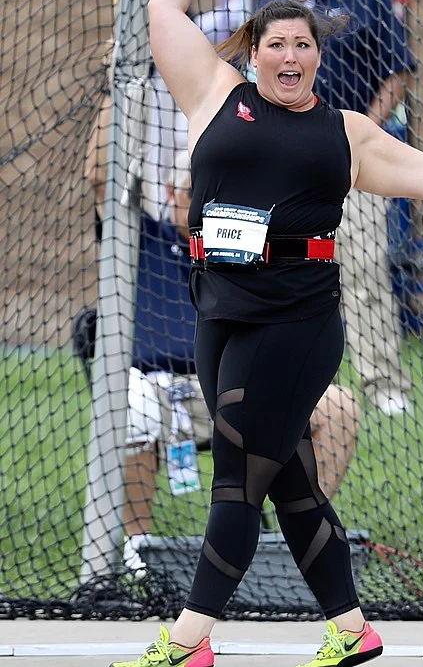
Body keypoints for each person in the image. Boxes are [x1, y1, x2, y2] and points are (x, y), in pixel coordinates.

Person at [110, 0, 423, 667]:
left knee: (236, 478)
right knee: (291, 486)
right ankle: (351, 628)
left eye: (303, 45)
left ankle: (188, 641)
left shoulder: (343, 133)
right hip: (219, 308)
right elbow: (162, 7)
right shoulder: (214, 94)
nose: (290, 55)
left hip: (296, 320)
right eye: (276, 43)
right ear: (254, 53)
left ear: (319, 56)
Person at [85, 98, 362, 575]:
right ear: (172, 193)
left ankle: (285, 539)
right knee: (136, 404)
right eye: (192, 192)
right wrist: (119, 88)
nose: (203, 200)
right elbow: (98, 176)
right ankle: (136, 551)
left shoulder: (246, 240)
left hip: (246, 383)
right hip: (161, 389)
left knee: (341, 407)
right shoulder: (142, 238)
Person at [255, 0, 418, 415]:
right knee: (281, 275)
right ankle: (289, 384)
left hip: (352, 164)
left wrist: (362, 132)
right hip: (281, 167)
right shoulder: (267, 5)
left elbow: (399, 73)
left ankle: (385, 387)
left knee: (365, 272)